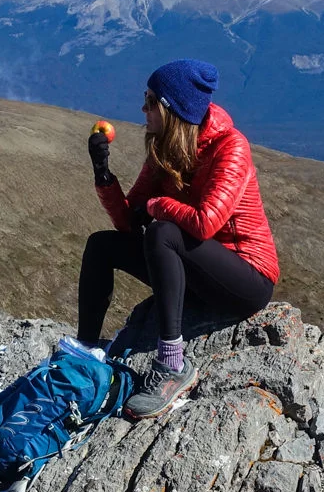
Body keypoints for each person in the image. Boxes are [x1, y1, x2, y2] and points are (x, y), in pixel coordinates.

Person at [78, 59, 280, 420]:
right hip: (199, 273)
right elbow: (128, 222)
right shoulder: (164, 148)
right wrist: (103, 174)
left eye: (151, 101)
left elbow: (204, 223)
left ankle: (172, 364)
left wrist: (159, 205)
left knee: (163, 231)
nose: (142, 109)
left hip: (247, 279)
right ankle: (84, 352)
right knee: (101, 244)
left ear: (171, 108)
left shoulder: (230, 148)